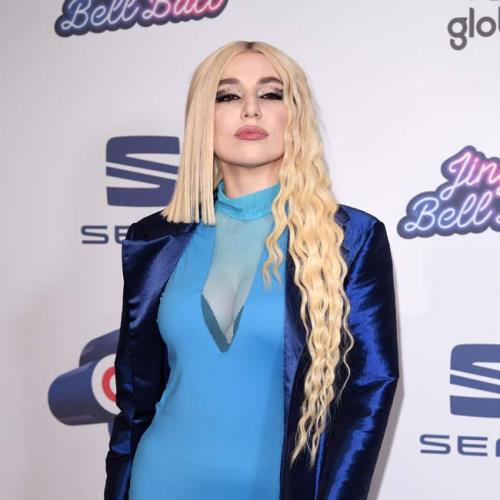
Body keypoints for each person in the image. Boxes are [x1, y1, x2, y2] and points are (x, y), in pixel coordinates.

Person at [104, 40, 400, 500]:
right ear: (203, 118)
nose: (250, 109)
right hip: (162, 481)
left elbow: (369, 390)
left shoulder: (350, 239)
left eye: (270, 93)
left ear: (294, 115)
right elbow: (134, 394)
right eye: (227, 95)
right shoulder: (154, 240)